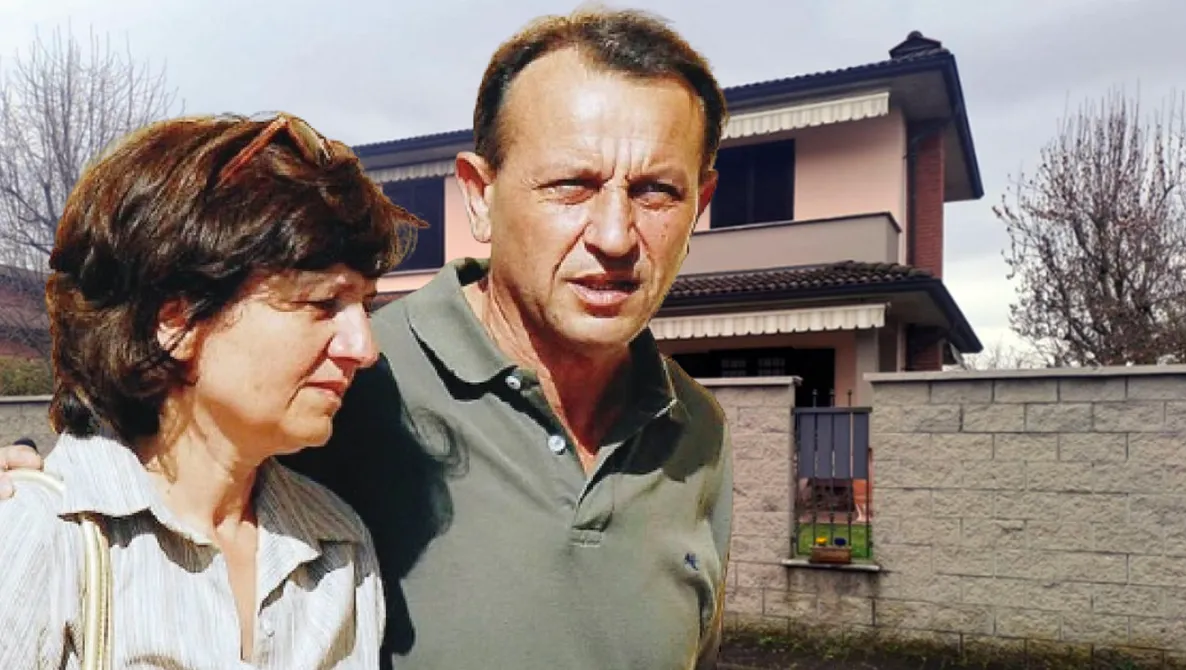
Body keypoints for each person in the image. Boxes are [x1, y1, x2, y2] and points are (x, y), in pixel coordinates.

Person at [0, 8, 735, 669]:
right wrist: (27, 494)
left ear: (701, 203)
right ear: (480, 194)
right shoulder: (355, 397)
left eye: (657, 191)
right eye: (572, 185)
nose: (615, 235)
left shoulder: (336, 549)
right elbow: (144, 450)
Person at [0, 112, 422, 667]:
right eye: (322, 303)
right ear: (176, 321)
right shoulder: (43, 536)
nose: (363, 348)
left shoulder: (337, 548)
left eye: (365, 305)